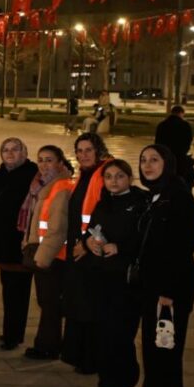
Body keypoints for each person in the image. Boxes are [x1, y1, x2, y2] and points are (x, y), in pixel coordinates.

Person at [117, 145, 194, 387]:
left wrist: (167, 293)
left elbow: (183, 246)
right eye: (143, 160)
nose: (147, 165)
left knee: (158, 348)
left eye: (154, 160)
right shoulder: (157, 195)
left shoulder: (177, 197)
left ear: (168, 163)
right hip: (155, 284)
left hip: (169, 288)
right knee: (167, 347)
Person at [83, 159, 145, 387]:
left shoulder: (140, 204)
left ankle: (120, 379)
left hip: (125, 279)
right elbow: (91, 229)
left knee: (120, 332)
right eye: (109, 177)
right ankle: (110, 380)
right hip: (101, 276)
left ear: (129, 178)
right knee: (104, 331)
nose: (114, 181)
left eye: (119, 176)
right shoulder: (103, 202)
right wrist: (89, 243)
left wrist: (120, 247)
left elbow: (143, 239)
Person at [62, 133, 114, 374]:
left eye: (88, 150)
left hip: (91, 251)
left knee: (90, 306)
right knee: (77, 304)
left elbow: (106, 215)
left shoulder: (104, 175)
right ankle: (78, 355)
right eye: (79, 150)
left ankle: (90, 359)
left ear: (98, 151)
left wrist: (86, 243)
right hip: (77, 249)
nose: (83, 155)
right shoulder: (84, 175)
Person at [0, 138, 39, 350]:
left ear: (24, 153)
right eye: (5, 150)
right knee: (8, 288)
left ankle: (14, 335)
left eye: (15, 149)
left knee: (19, 290)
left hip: (21, 243)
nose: (10, 153)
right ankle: (10, 330)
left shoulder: (33, 176)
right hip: (2, 242)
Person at [22, 145, 74, 360]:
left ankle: (48, 347)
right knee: (47, 302)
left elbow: (58, 227)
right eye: (41, 159)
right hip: (42, 250)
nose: (44, 165)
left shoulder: (60, 187)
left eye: (49, 160)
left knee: (50, 303)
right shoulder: (43, 184)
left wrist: (42, 258)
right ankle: (49, 344)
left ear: (60, 163)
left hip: (52, 255)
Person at [155, 105, 194, 189]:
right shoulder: (185, 125)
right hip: (180, 155)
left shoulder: (162, 125)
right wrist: (184, 151)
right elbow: (188, 140)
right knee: (187, 167)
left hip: (166, 155)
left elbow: (157, 141)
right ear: (181, 113)